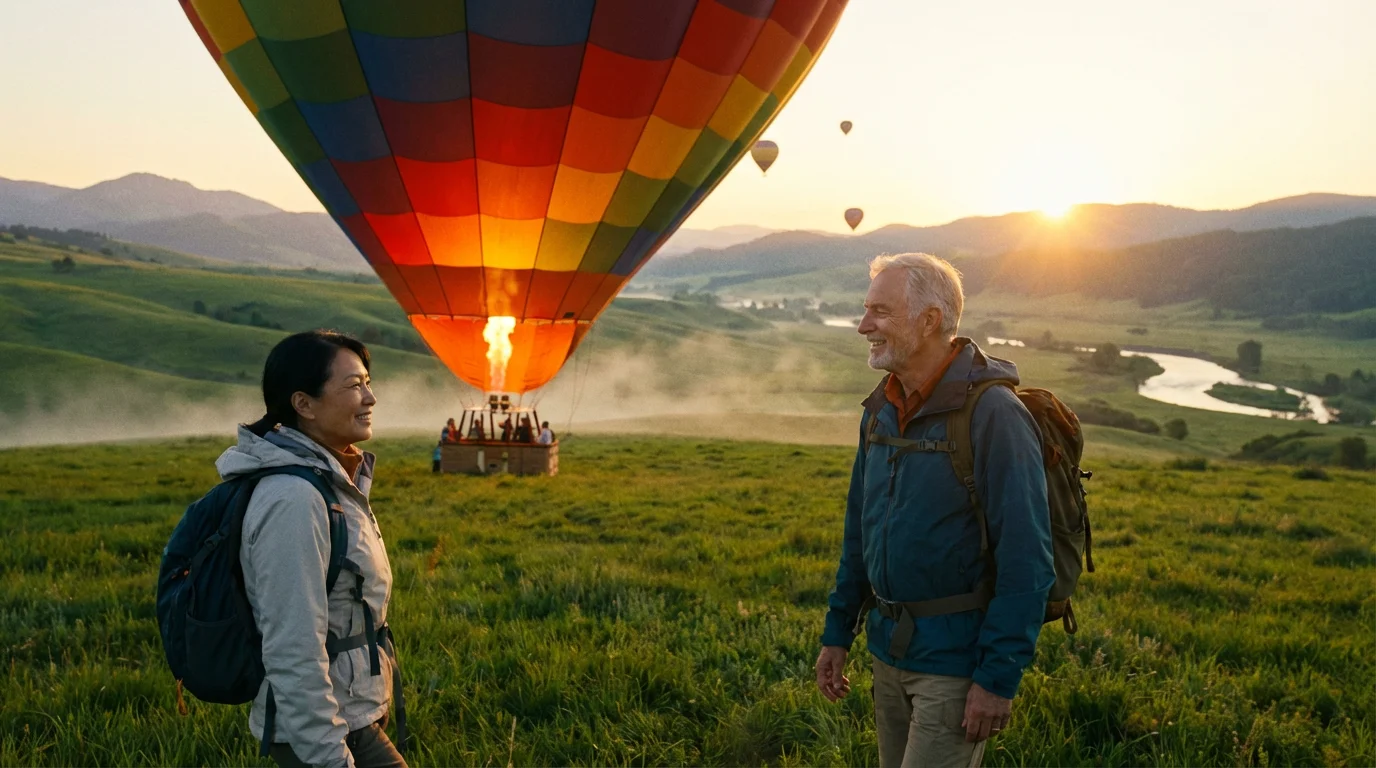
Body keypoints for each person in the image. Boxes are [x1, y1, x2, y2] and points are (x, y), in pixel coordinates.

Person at [816, 253, 1053, 768]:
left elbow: (1027, 558)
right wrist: (838, 632)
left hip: (954, 663)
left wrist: (997, 677)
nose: (863, 326)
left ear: (929, 320)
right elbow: (859, 529)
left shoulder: (994, 415)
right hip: (886, 651)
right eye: (865, 310)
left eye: (880, 311)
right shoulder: (881, 407)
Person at [219, 330, 406, 768]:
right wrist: (327, 755)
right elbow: (292, 645)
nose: (370, 397)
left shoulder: (331, 480)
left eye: (368, 382)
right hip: (327, 728)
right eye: (354, 385)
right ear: (303, 404)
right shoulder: (294, 500)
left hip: (352, 713)